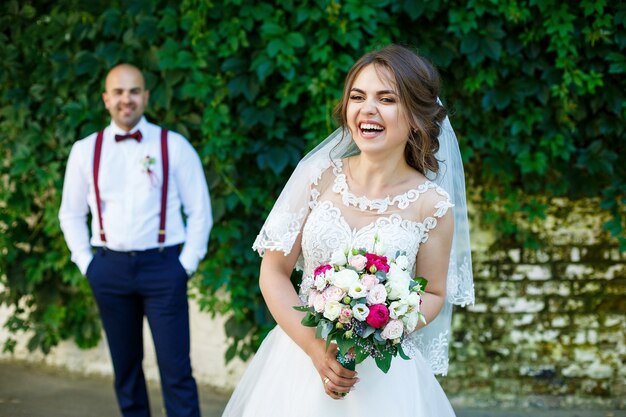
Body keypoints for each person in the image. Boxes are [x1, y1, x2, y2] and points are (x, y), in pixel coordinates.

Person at [221, 44, 474, 416]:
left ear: (417, 115)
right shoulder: (317, 176)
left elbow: (434, 292)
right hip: (298, 363)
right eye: (358, 97)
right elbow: (273, 272)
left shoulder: (431, 203)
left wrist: (388, 319)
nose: (367, 109)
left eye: (386, 98)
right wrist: (315, 350)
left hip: (385, 375)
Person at [59, 63, 212, 417]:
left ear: (145, 96)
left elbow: (200, 213)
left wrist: (183, 266)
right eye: (118, 92)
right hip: (109, 269)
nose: (125, 99)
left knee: (176, 371)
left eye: (133, 91)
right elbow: (69, 213)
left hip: (163, 268)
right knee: (126, 370)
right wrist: (88, 263)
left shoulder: (174, 146)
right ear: (106, 99)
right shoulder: (85, 150)